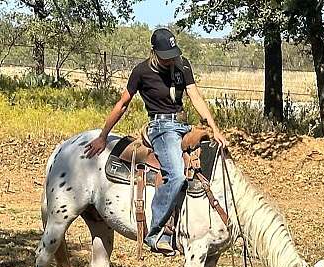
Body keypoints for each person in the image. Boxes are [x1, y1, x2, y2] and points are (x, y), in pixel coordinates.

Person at [86, 28, 228, 255]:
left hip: (184, 125)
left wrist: (214, 128)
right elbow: (123, 103)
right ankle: (156, 232)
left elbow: (195, 96)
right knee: (176, 174)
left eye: (173, 53)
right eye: (166, 55)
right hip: (161, 128)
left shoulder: (183, 65)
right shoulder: (142, 71)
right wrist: (103, 136)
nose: (171, 59)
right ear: (154, 52)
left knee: (212, 164)